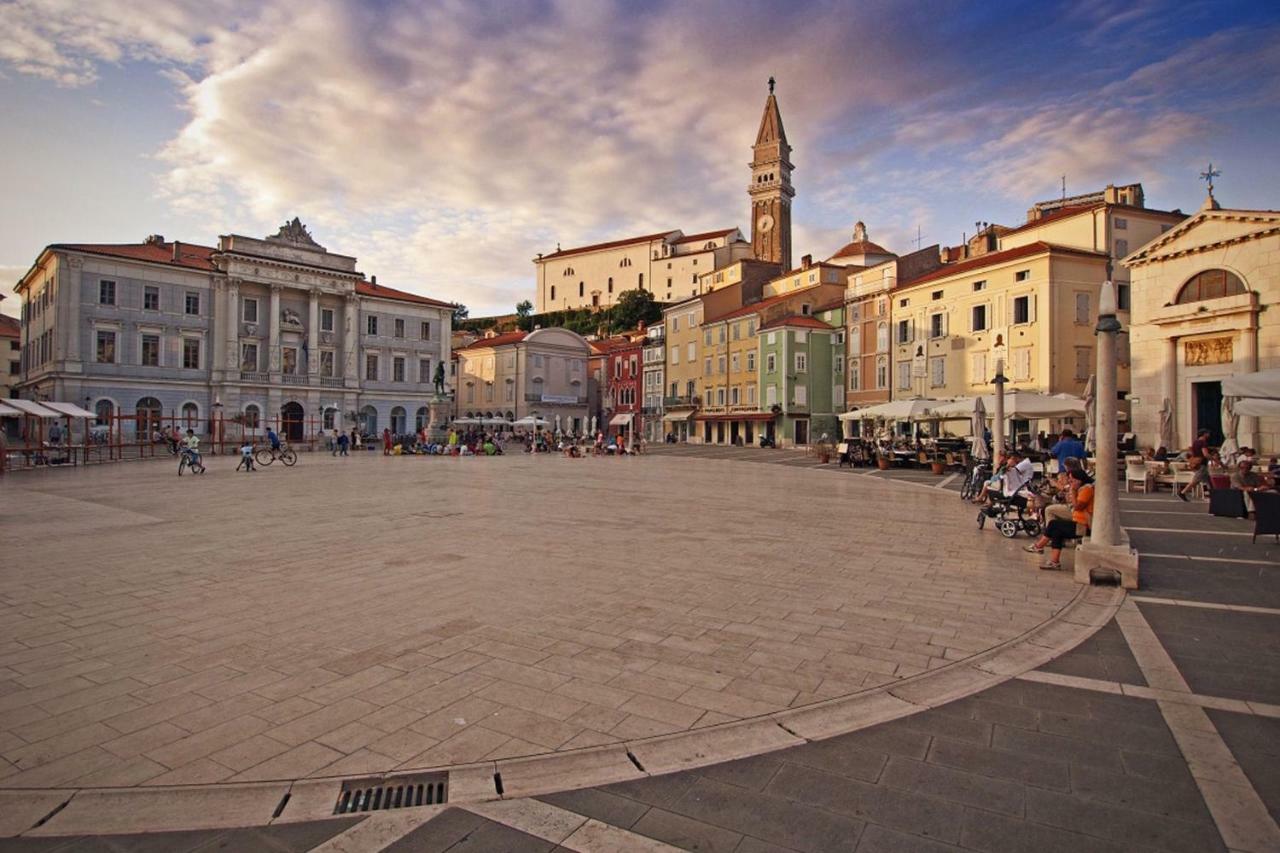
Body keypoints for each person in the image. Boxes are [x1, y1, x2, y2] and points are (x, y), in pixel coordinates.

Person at [1025, 468, 1094, 570]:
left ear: (1079, 479)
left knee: (1054, 525)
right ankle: (1054, 561)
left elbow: (1077, 506)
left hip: (1083, 525)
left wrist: (1073, 491)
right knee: (1056, 529)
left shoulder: (1086, 489)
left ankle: (1039, 546)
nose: (1070, 482)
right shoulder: (1082, 488)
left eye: (1072, 480)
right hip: (1078, 521)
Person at [1178, 429, 1212, 501]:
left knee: (1208, 480)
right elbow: (1205, 454)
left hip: (1196, 462)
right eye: (1208, 433)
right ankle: (1183, 492)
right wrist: (1213, 459)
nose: (1209, 435)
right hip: (1201, 463)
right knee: (1196, 480)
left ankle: (1212, 494)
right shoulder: (1203, 443)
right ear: (1204, 434)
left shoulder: (1195, 442)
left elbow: (1193, 453)